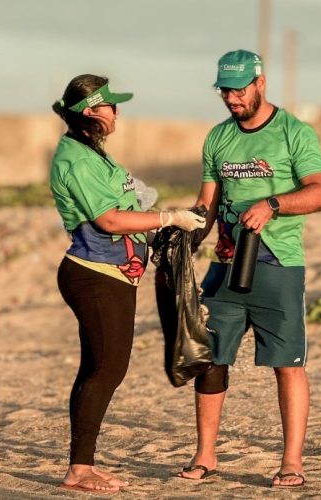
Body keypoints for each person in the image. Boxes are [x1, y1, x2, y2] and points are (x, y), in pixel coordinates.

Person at [177, 50, 321, 488]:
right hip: (225, 266)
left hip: (278, 264)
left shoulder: (293, 133)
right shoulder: (218, 138)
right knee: (209, 358)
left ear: (260, 82)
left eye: (239, 88)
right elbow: (206, 204)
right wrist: (185, 237)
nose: (231, 98)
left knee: (287, 364)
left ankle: (292, 462)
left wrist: (274, 204)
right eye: (224, 89)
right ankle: (206, 455)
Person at [50, 74, 205, 493]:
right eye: (110, 105)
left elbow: (129, 207)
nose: (117, 111)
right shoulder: (75, 159)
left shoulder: (95, 154)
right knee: (107, 369)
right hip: (95, 275)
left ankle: (82, 464)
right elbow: (110, 221)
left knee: (98, 368)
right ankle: (78, 470)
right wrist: (168, 217)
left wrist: (166, 230)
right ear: (90, 113)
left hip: (115, 275)